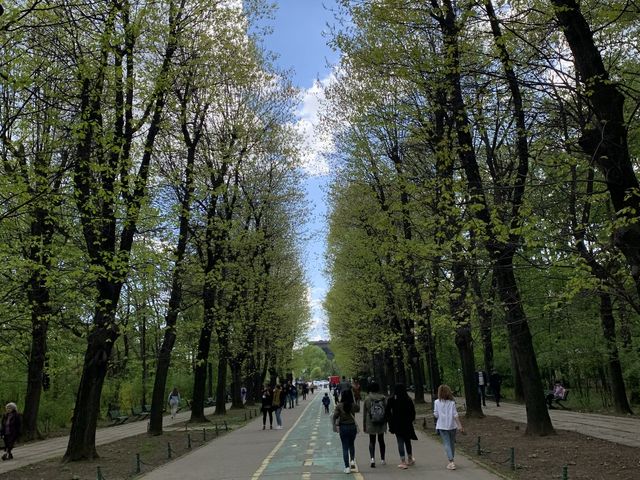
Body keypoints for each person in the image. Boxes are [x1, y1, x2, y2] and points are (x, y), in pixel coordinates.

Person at [386, 383, 417, 469]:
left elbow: (387, 412)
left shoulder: (391, 399)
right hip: (407, 423)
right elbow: (412, 412)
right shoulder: (408, 399)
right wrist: (411, 420)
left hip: (396, 423)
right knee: (407, 441)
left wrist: (390, 421)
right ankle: (410, 458)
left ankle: (403, 461)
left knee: (400, 442)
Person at [433, 384, 464, 470]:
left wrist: (436, 414)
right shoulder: (452, 403)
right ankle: (452, 461)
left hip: (442, 426)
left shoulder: (436, 402)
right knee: (451, 443)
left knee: (446, 444)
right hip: (452, 426)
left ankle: (451, 461)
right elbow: (455, 415)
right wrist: (460, 426)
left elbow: (436, 414)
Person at [332, 388, 360, 474]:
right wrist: (354, 400)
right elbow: (358, 409)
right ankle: (352, 460)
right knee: (351, 445)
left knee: (345, 447)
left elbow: (335, 416)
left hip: (343, 427)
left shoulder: (339, 406)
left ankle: (347, 467)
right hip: (352, 427)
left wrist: (334, 425)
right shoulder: (353, 405)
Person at [362, 381, 387, 468]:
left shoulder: (367, 398)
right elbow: (386, 410)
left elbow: (365, 413)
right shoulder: (383, 398)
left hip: (371, 422)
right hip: (381, 422)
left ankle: (372, 458)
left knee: (372, 441)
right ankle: (383, 459)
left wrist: (364, 425)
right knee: (381, 440)